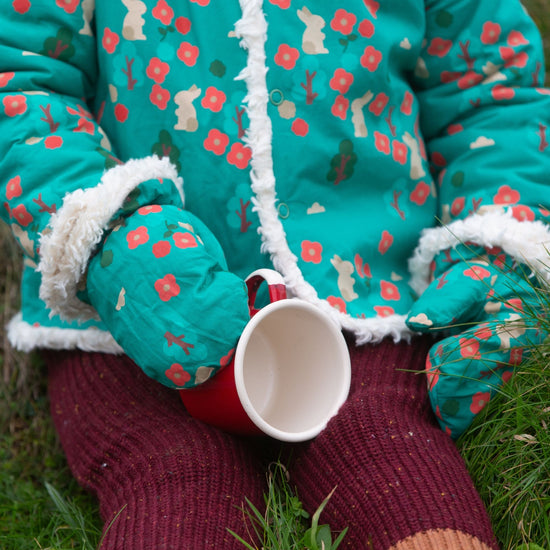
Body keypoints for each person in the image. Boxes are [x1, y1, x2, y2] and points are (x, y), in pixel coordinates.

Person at [1, 0, 549, 548]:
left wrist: (496, 244)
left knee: (384, 441)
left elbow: (490, 91)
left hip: (365, 294)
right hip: (128, 309)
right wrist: (111, 240)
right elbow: (22, 77)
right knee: (174, 471)